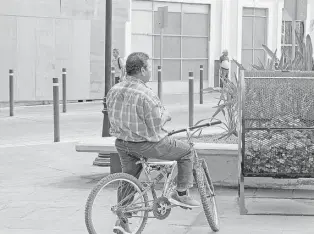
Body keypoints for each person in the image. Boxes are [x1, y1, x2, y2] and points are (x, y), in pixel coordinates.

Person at [106, 52, 200, 233]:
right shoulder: (146, 94)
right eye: (149, 68)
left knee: (129, 179)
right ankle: (181, 193)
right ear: (142, 70)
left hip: (123, 143)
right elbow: (156, 124)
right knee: (186, 151)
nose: (151, 71)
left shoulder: (114, 90)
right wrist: (166, 115)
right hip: (147, 144)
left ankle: (122, 221)